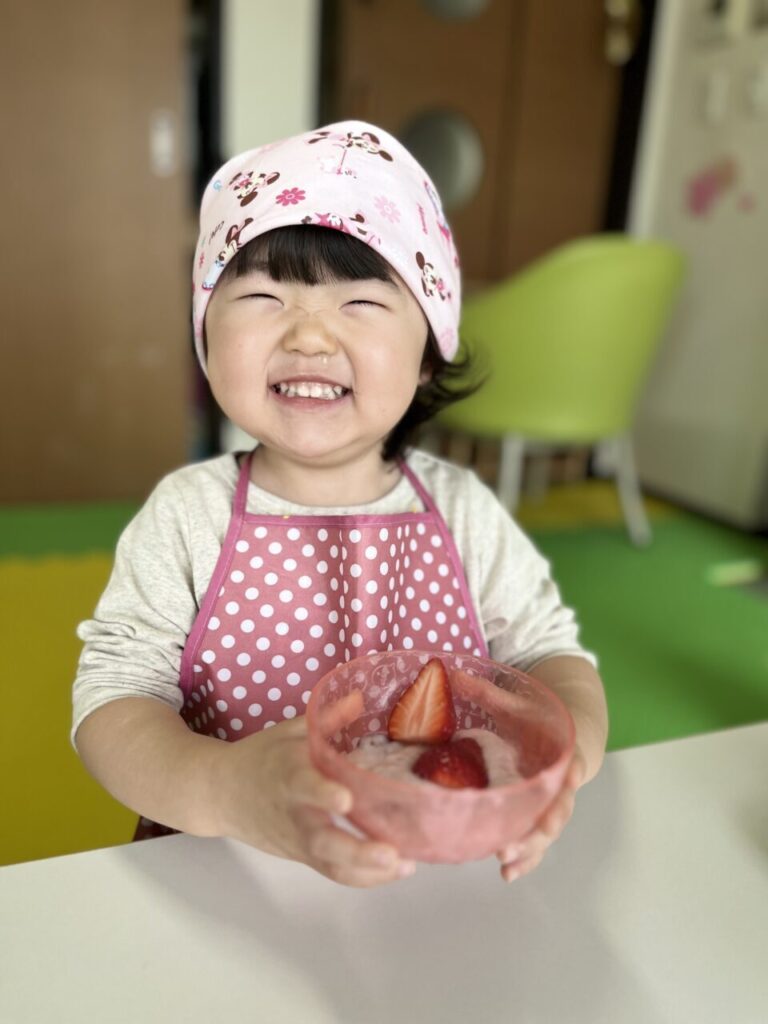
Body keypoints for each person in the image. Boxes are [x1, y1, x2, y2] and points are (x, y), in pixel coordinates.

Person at [73, 120, 608, 888]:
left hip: (431, 873)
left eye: (359, 301)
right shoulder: (188, 515)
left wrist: (565, 760)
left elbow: (551, 659)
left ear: (427, 357)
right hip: (229, 872)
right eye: (263, 296)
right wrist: (222, 789)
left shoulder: (463, 512)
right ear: (205, 338)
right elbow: (113, 702)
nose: (311, 337)